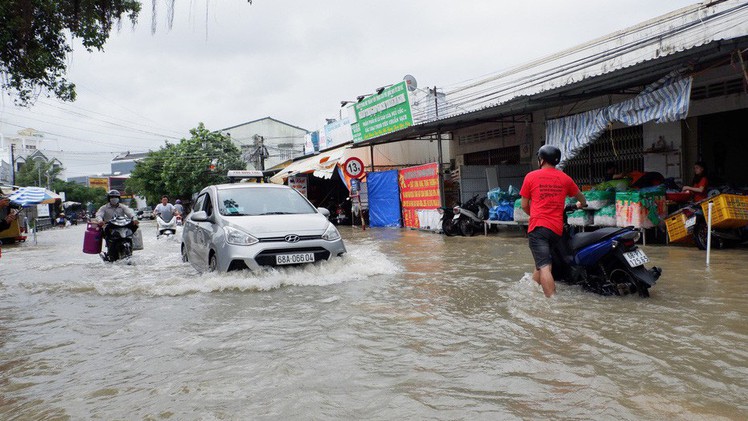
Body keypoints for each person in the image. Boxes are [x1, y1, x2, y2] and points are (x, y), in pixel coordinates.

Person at [520, 145, 587, 298]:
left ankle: (552, 302)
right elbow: (582, 198)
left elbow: (524, 205)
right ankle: (532, 290)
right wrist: (581, 205)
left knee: (544, 266)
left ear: (541, 160)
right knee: (542, 261)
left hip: (539, 228)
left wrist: (535, 216)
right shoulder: (565, 178)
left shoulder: (531, 176)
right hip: (557, 230)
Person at [95, 190, 138, 259]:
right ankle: (110, 253)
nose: (114, 198)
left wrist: (134, 218)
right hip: (110, 227)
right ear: (109, 198)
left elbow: (130, 213)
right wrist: (100, 221)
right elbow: (99, 215)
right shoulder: (104, 207)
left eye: (116, 197)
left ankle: (131, 245)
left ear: (119, 198)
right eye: (112, 197)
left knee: (135, 226)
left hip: (122, 226)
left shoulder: (123, 207)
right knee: (107, 235)